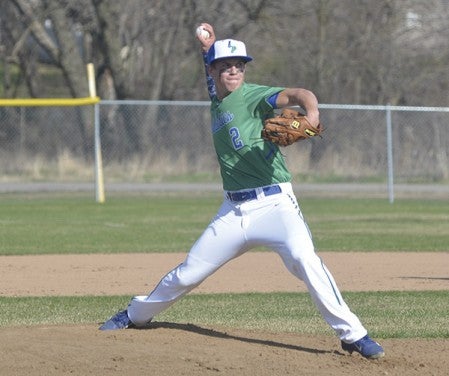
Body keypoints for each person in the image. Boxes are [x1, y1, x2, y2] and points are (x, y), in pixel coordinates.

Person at [99, 23, 385, 360]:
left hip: (276, 204)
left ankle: (354, 335)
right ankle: (135, 315)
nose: (234, 71)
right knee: (190, 271)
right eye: (226, 66)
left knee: (305, 260)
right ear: (213, 72)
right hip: (233, 212)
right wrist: (207, 45)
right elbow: (211, 70)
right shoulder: (215, 96)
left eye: (239, 66)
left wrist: (312, 111)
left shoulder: (253, 95)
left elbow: (297, 94)